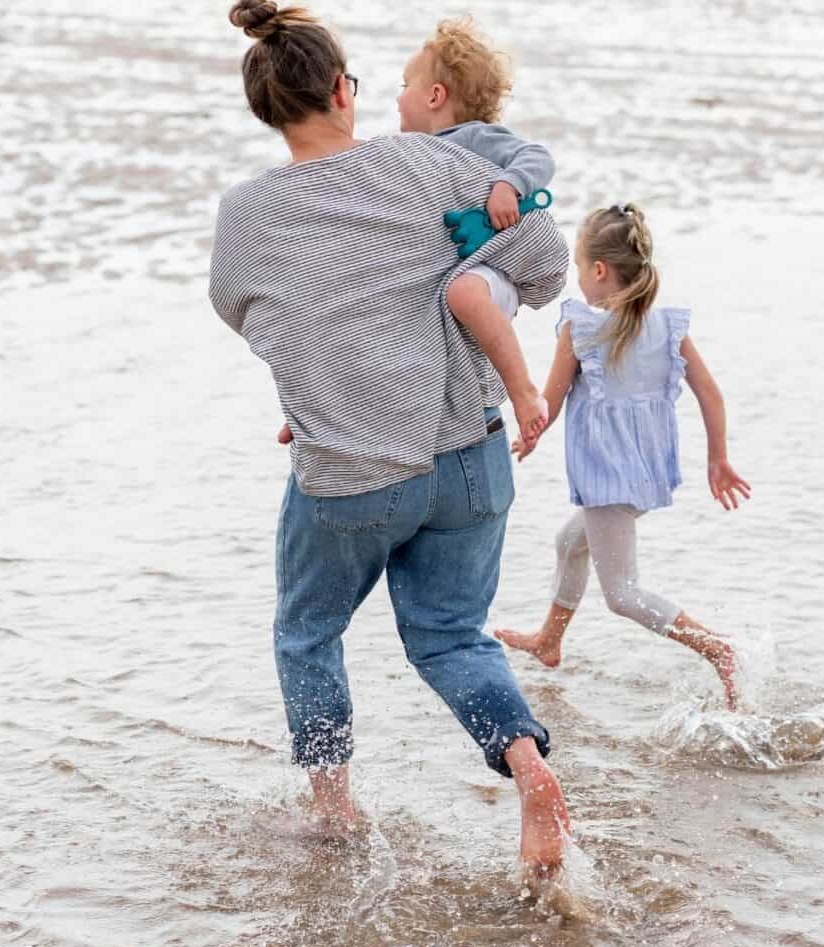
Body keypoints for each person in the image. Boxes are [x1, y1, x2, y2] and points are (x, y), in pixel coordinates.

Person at [209, 0, 571, 870]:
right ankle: (527, 769)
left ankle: (333, 808)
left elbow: (247, 313)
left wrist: (329, 385)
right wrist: (464, 265)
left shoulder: (247, 213)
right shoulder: (426, 162)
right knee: (452, 637)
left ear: (266, 107)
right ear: (344, 91)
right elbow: (549, 262)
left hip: (351, 472)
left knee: (308, 631)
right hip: (470, 454)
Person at [495, 203, 751, 709]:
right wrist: (717, 459)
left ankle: (718, 649)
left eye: (576, 266)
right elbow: (711, 394)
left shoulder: (582, 327)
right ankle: (550, 639)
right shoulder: (667, 326)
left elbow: (551, 396)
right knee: (571, 542)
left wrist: (532, 432)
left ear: (598, 270)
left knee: (623, 594)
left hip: (606, 473)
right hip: (647, 468)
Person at [398, 16, 555, 444]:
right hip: (455, 269)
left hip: (491, 277)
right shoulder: (411, 152)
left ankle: (523, 394)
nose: (397, 98)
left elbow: (538, 156)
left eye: (404, 84)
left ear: (434, 96)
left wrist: (509, 185)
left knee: (464, 293)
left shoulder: (474, 138)